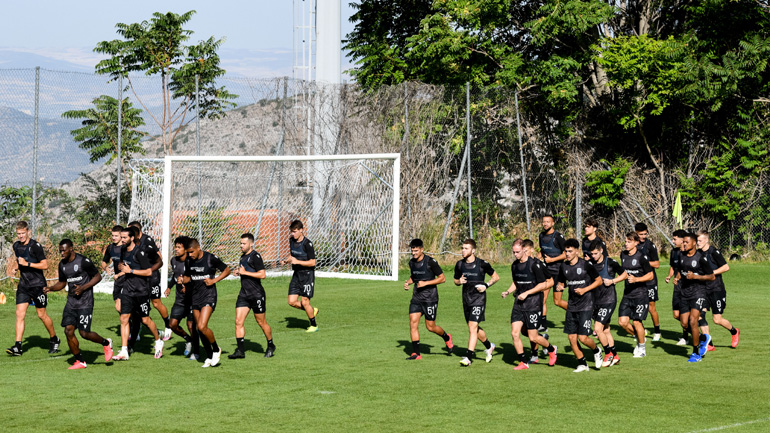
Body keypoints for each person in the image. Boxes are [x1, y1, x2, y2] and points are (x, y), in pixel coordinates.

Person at [44, 239, 112, 369]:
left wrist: (83, 288)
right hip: (71, 302)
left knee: (84, 333)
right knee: (68, 331)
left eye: (64, 250)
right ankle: (80, 361)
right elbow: (62, 283)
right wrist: (51, 288)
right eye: (60, 251)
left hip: (85, 302)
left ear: (71, 249)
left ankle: (106, 343)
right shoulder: (62, 264)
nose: (62, 253)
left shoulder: (83, 261)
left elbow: (98, 277)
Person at [6, 221, 60, 356]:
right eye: (18, 234)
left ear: (28, 232)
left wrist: (28, 264)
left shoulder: (35, 246)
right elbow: (20, 261)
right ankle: (18, 346)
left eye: (23, 233)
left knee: (41, 315)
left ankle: (54, 338)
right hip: (24, 285)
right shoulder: (16, 246)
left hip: (37, 285)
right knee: (20, 314)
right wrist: (16, 268)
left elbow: (45, 265)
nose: (21, 236)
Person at [502, 239, 557, 370]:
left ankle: (551, 349)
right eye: (513, 252)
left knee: (533, 337)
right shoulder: (514, 265)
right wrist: (508, 291)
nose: (515, 254)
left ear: (524, 250)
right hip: (519, 303)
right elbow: (516, 281)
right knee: (515, 333)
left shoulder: (534, 265)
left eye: (518, 252)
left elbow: (543, 284)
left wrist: (527, 293)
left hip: (533, 304)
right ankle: (523, 362)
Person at [111, 226, 164, 361]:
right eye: (121, 237)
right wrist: (122, 270)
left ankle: (158, 341)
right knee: (124, 319)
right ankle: (124, 351)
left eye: (124, 238)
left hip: (141, 291)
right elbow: (125, 266)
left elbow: (148, 272)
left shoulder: (139, 253)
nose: (122, 240)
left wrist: (131, 272)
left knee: (145, 320)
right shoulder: (123, 250)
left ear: (132, 238)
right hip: (128, 290)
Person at [557, 239, 603, 372]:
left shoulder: (586, 265)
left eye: (570, 251)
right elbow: (562, 282)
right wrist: (560, 286)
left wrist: (585, 290)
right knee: (571, 338)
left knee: (583, 338)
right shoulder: (563, 266)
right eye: (566, 251)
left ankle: (596, 350)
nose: (567, 254)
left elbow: (599, 281)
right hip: (572, 305)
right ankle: (582, 363)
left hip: (586, 305)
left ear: (577, 251)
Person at [404, 238, 453, 360]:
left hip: (430, 298)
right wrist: (408, 283)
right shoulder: (411, 262)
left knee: (430, 327)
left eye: (416, 251)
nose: (414, 253)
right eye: (412, 251)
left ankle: (446, 337)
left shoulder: (431, 262)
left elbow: (442, 278)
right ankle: (416, 354)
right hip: (417, 297)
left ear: (422, 249)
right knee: (413, 322)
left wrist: (425, 283)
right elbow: (414, 276)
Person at [184, 238, 231, 368]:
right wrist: (183, 281)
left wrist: (214, 280)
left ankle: (216, 349)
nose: (190, 255)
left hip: (209, 296)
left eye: (192, 252)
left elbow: (227, 270)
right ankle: (210, 357)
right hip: (195, 297)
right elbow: (188, 277)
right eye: (188, 252)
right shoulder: (188, 260)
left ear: (199, 248)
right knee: (199, 330)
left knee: (202, 326)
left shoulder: (210, 258)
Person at [453, 239, 499, 366]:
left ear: (473, 250)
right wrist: (459, 282)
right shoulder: (459, 264)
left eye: (466, 248)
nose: (463, 250)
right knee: (474, 327)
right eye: (462, 248)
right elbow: (455, 280)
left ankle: (468, 357)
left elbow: (496, 277)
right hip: (466, 299)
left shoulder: (482, 264)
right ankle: (489, 346)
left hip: (479, 299)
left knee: (472, 326)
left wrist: (486, 285)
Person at [229, 233, 276, 359]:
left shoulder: (256, 256)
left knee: (261, 322)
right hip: (244, 295)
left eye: (244, 243)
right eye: (240, 243)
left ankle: (271, 345)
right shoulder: (242, 257)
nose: (241, 246)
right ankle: (240, 351)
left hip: (256, 295)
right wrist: (239, 272)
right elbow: (246, 272)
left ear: (251, 243)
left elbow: (262, 275)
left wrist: (245, 272)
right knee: (238, 321)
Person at [128, 221, 171, 341]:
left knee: (156, 303)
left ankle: (168, 326)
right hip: (139, 280)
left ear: (136, 232)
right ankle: (137, 329)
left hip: (151, 278)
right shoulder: (129, 245)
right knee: (136, 305)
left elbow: (160, 259)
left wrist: (149, 271)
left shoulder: (147, 241)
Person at [697, 230, 740, 349]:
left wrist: (711, 273)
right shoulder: (698, 253)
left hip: (716, 289)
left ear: (706, 240)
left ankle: (734, 331)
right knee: (700, 315)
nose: (698, 243)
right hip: (703, 290)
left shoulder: (714, 252)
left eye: (700, 240)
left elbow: (726, 267)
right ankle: (709, 344)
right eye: (697, 240)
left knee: (717, 319)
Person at [676, 232, 715, 362]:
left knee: (693, 321)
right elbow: (681, 271)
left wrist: (696, 277)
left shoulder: (701, 258)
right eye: (683, 242)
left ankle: (695, 353)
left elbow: (711, 276)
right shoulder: (680, 255)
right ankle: (704, 338)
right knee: (684, 323)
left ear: (693, 243)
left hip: (698, 292)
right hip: (684, 292)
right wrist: (677, 278)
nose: (684, 244)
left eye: (686, 242)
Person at [616, 232, 654, 358]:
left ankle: (642, 349)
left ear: (636, 243)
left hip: (640, 295)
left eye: (629, 241)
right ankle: (639, 337)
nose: (626, 244)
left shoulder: (641, 257)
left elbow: (650, 275)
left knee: (637, 322)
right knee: (622, 322)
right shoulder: (623, 255)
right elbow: (624, 273)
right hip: (627, 294)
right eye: (626, 241)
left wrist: (637, 280)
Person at [588, 239, 624, 367]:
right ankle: (615, 356)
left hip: (608, 300)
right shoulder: (589, 264)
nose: (594, 256)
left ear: (601, 251)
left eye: (596, 253)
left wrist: (613, 281)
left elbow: (624, 274)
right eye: (592, 254)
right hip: (595, 301)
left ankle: (608, 354)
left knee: (598, 329)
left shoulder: (611, 263)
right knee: (606, 330)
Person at [281, 220, 319, 333]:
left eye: (295, 231)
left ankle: (314, 325)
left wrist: (297, 262)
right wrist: (286, 261)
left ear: (301, 230)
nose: (293, 234)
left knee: (305, 302)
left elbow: (313, 262)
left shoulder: (308, 244)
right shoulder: (292, 240)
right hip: (296, 275)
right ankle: (311, 310)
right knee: (291, 301)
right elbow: (292, 254)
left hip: (307, 276)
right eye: (292, 232)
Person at [165, 236, 199, 359]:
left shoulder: (192, 262)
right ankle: (188, 339)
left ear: (186, 249)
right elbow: (175, 276)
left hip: (192, 299)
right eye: (176, 247)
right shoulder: (173, 260)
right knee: (172, 324)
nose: (176, 249)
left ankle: (196, 352)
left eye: (179, 247)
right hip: (180, 300)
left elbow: (196, 279)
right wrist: (169, 287)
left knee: (191, 326)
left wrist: (188, 286)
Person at [538, 214, 566, 332]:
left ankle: (580, 313)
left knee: (557, 301)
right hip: (546, 273)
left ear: (553, 223)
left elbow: (566, 254)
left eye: (548, 222)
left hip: (559, 273)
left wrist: (552, 260)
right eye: (544, 222)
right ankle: (543, 325)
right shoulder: (541, 236)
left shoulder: (558, 237)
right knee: (542, 299)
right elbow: (542, 251)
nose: (545, 224)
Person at [635, 223, 662, 341]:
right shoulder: (632, 245)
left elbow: (657, 264)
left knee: (651, 308)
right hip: (637, 281)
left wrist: (642, 262)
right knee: (637, 306)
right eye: (641, 234)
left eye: (645, 234)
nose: (643, 236)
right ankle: (641, 331)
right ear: (636, 233)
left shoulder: (650, 246)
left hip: (650, 281)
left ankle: (657, 331)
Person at [665, 229, 689, 346]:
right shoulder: (674, 252)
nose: (673, 241)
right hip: (677, 286)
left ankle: (686, 337)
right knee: (676, 314)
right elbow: (673, 267)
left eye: (675, 239)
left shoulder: (687, 253)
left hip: (686, 286)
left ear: (682, 239)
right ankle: (693, 331)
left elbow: (684, 269)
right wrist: (669, 276)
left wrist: (678, 278)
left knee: (685, 315)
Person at [101, 225, 124, 319]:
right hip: (117, 280)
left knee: (120, 307)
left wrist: (120, 274)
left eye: (116, 236)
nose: (114, 238)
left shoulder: (126, 248)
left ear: (121, 235)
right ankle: (133, 324)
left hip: (127, 280)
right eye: (112, 235)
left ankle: (133, 327)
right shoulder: (110, 248)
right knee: (118, 307)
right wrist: (106, 268)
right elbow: (103, 261)